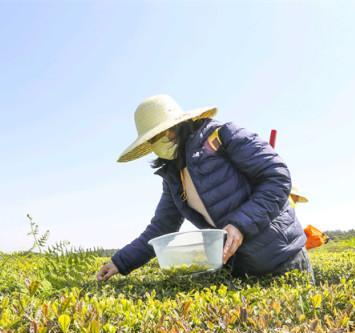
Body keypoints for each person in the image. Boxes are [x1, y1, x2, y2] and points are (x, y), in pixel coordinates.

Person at [96, 94, 314, 282]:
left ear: (177, 126)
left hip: (283, 258)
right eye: (151, 140)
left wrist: (240, 224)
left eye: (160, 134)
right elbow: (162, 227)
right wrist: (120, 262)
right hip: (241, 270)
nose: (158, 143)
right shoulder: (174, 176)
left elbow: (277, 178)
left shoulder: (223, 136)